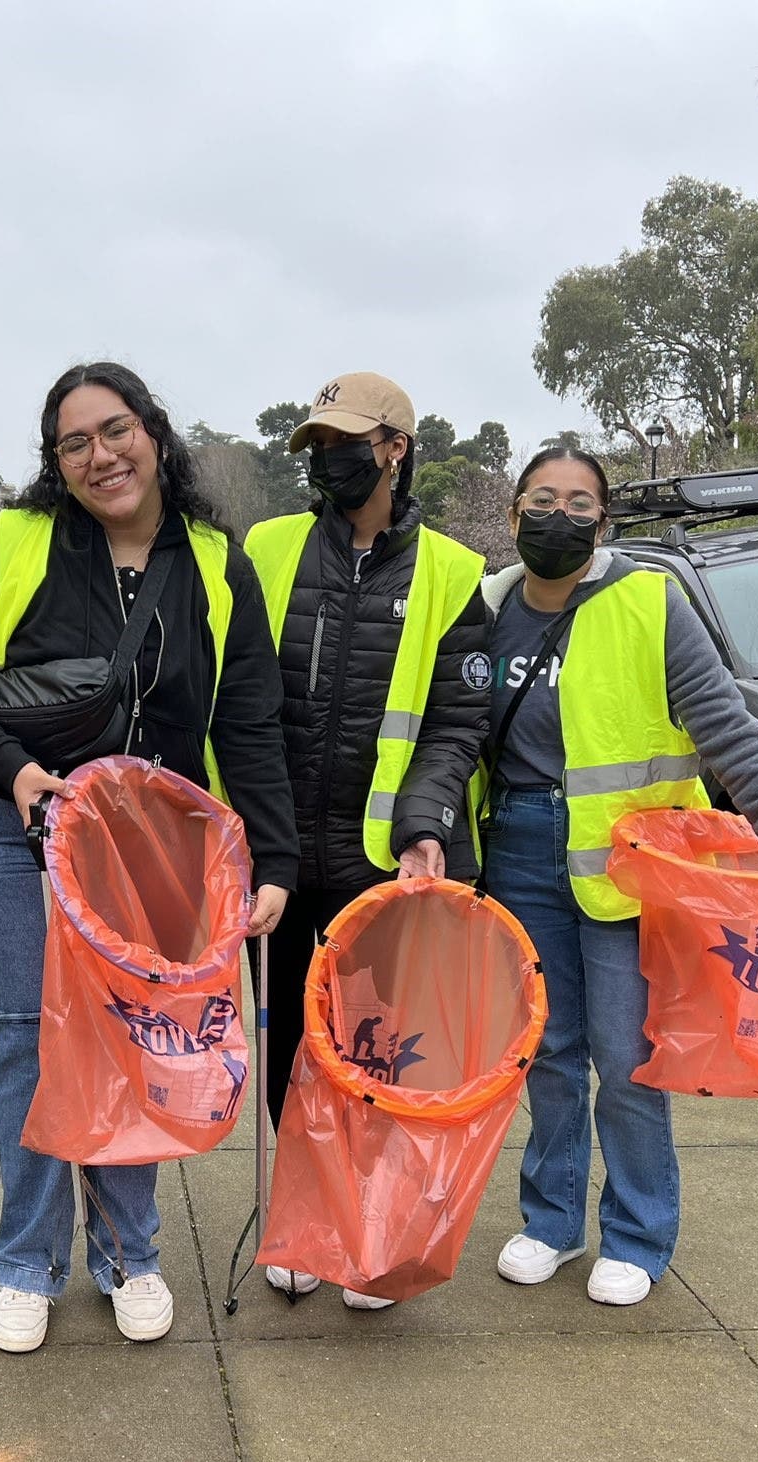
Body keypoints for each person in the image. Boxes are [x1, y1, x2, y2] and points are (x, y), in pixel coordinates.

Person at [0, 361, 297, 1354]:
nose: (98, 455)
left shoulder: (216, 560)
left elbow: (247, 720)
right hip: (10, 822)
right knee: (30, 1039)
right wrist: (12, 768)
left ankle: (130, 1251)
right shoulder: (20, 543)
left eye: (113, 430)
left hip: (143, 842)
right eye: (72, 442)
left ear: (153, 433)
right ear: (55, 463)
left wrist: (271, 861)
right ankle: (25, 1262)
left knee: (132, 1037)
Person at [482, 445, 758, 1307]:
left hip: (629, 865)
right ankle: (551, 1222)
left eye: (580, 502)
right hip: (518, 853)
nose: (559, 515)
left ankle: (639, 1234)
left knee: (629, 1055)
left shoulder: (650, 602)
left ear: (604, 521)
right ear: (513, 514)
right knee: (547, 1051)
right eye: (542, 498)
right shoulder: (488, 608)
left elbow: (727, 728)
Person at [241, 372, 492, 1308]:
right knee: (285, 1041)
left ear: (395, 449)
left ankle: (374, 1219)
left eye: (346, 443)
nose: (327, 461)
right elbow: (240, 701)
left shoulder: (454, 574)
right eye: (317, 445)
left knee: (376, 1047)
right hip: (272, 855)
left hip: (379, 862)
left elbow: (457, 727)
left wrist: (424, 823)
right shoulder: (264, 549)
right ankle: (306, 1215)